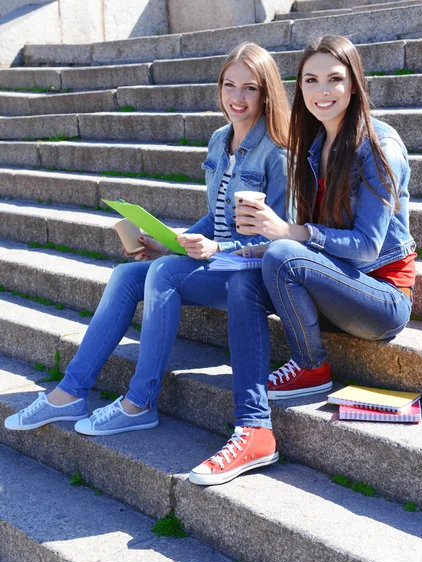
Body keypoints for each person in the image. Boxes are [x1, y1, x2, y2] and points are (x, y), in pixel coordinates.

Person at [5, 42, 291, 486]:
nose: (238, 96)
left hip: (249, 272)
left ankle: (140, 402)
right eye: (229, 85)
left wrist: (211, 250)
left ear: (267, 93)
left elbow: (272, 235)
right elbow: (214, 219)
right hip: (216, 259)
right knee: (126, 273)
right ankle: (69, 392)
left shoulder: (276, 152)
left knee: (163, 274)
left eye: (250, 88)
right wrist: (169, 240)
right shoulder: (220, 140)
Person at [231, 34, 415, 404]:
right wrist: (265, 245)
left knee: (283, 254)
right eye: (310, 80)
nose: (322, 90)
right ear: (300, 87)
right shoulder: (313, 144)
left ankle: (311, 366)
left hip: (380, 299)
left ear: (354, 83)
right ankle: (250, 392)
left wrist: (290, 233)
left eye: (334, 78)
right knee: (245, 275)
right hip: (335, 286)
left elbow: (365, 249)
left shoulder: (379, 147)